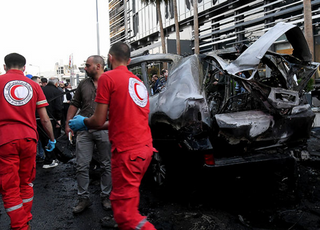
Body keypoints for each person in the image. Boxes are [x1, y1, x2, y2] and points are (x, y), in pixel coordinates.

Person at [69, 42, 156, 230]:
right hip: (144, 150)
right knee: (122, 203)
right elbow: (123, 120)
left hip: (127, 152)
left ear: (110, 58)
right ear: (130, 60)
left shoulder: (108, 78)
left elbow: (98, 121)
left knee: (126, 215)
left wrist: (83, 122)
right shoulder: (137, 82)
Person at [0, 53, 56, 230]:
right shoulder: (34, 85)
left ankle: (19, 225)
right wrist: (52, 139)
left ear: (4, 66)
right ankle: (25, 219)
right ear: (24, 68)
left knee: (10, 187)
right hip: (29, 139)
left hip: (4, 140)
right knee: (26, 183)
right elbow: (45, 119)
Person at [65, 55, 112, 214]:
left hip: (105, 128)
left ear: (98, 66)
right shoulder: (83, 84)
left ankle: (106, 196)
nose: (85, 68)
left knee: (107, 164)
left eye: (87, 65)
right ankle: (83, 198)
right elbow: (74, 104)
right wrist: (68, 123)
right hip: (84, 128)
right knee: (82, 165)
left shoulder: (111, 81)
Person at [40, 77, 63, 168]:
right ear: (56, 84)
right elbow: (58, 107)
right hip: (51, 118)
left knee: (43, 139)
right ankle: (51, 159)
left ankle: (47, 157)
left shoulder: (42, 90)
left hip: (39, 118)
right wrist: (59, 119)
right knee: (52, 138)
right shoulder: (57, 91)